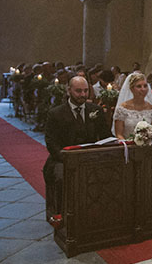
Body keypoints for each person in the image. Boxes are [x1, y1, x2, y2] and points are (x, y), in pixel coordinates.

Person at [43, 76, 111, 221]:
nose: (83, 95)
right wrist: (66, 158)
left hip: (90, 157)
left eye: (86, 91)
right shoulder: (56, 113)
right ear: (69, 91)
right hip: (63, 157)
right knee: (61, 177)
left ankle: (100, 213)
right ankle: (61, 215)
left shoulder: (95, 110)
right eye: (78, 91)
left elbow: (106, 136)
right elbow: (51, 142)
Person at [113, 72, 152, 139]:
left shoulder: (150, 107)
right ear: (131, 89)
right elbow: (119, 134)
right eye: (139, 86)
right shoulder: (122, 108)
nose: (143, 89)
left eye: (145, 86)